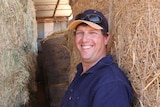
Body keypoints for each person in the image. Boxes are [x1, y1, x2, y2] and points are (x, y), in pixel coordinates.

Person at [60, 9, 133, 107]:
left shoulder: (110, 84)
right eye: (80, 33)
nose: (84, 39)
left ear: (106, 38)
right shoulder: (82, 73)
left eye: (92, 33)